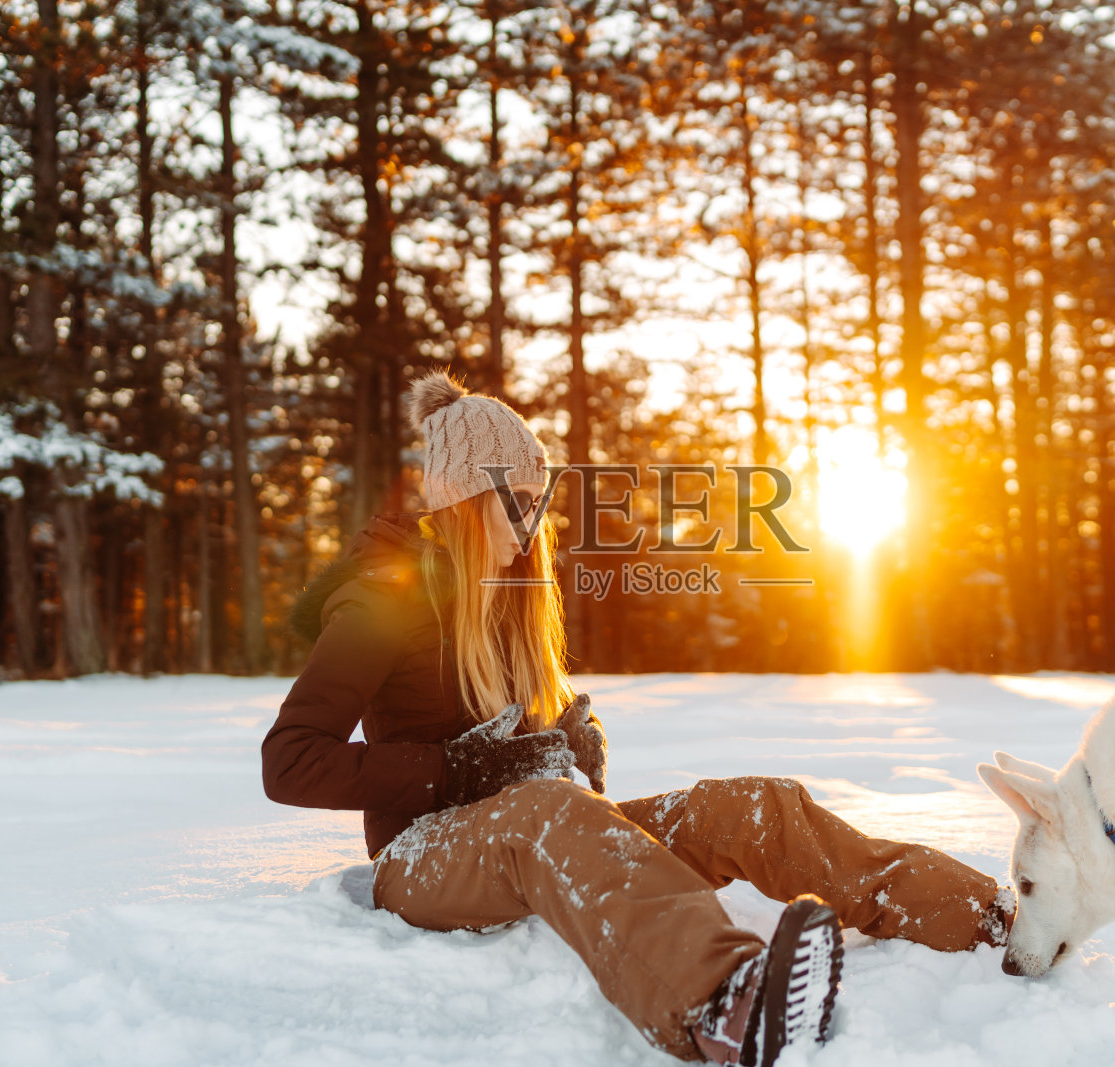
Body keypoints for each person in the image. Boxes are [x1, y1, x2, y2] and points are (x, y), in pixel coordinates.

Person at [261, 371, 1014, 1067]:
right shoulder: (379, 597)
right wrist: (466, 769)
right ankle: (724, 1004)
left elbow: (553, 799)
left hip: (524, 830)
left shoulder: (511, 601)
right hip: (420, 859)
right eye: (512, 500)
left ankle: (979, 917)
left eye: (537, 500)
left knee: (748, 806)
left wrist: (573, 754)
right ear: (461, 500)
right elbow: (289, 761)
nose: (530, 524)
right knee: (544, 811)